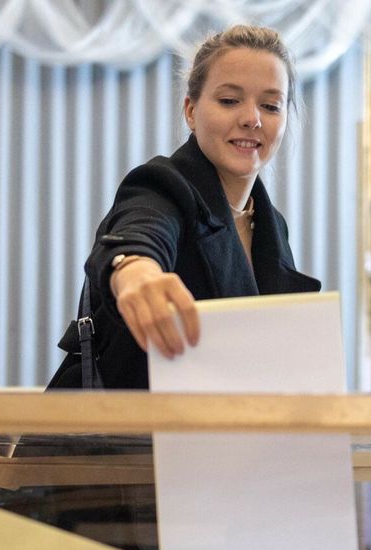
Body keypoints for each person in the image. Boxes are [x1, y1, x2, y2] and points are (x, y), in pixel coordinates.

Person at [47, 24, 321, 390]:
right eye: (229, 100)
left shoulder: (274, 227)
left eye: (270, 105)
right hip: (120, 440)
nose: (252, 118)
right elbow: (139, 232)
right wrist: (135, 272)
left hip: (217, 439)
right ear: (191, 111)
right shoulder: (162, 184)